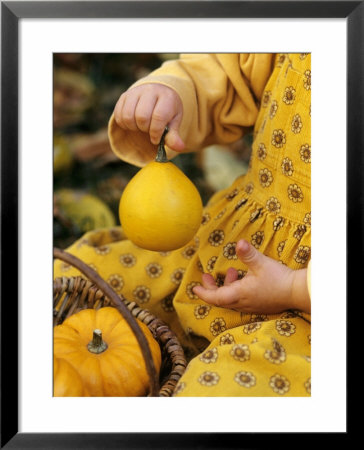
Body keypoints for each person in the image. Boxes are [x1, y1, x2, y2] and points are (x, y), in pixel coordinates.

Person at [54, 53, 311, 396]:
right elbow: (228, 73)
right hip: (228, 241)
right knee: (82, 279)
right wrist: (174, 90)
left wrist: (296, 288)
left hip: (311, 314)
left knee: (223, 396)